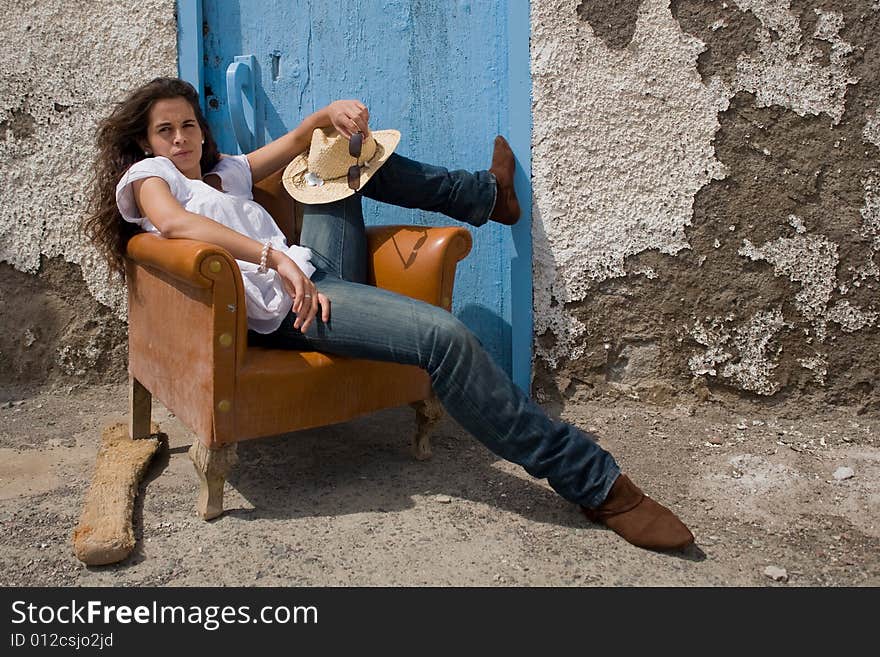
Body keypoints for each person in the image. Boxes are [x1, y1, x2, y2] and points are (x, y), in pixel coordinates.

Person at [83, 77, 694, 552]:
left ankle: (484, 195)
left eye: (188, 126)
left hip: (315, 266)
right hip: (294, 308)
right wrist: (273, 256)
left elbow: (297, 142)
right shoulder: (151, 177)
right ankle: (597, 487)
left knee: (336, 155)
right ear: (146, 140)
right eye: (167, 130)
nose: (181, 139)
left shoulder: (223, 173)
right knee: (445, 337)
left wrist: (328, 114)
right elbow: (174, 225)